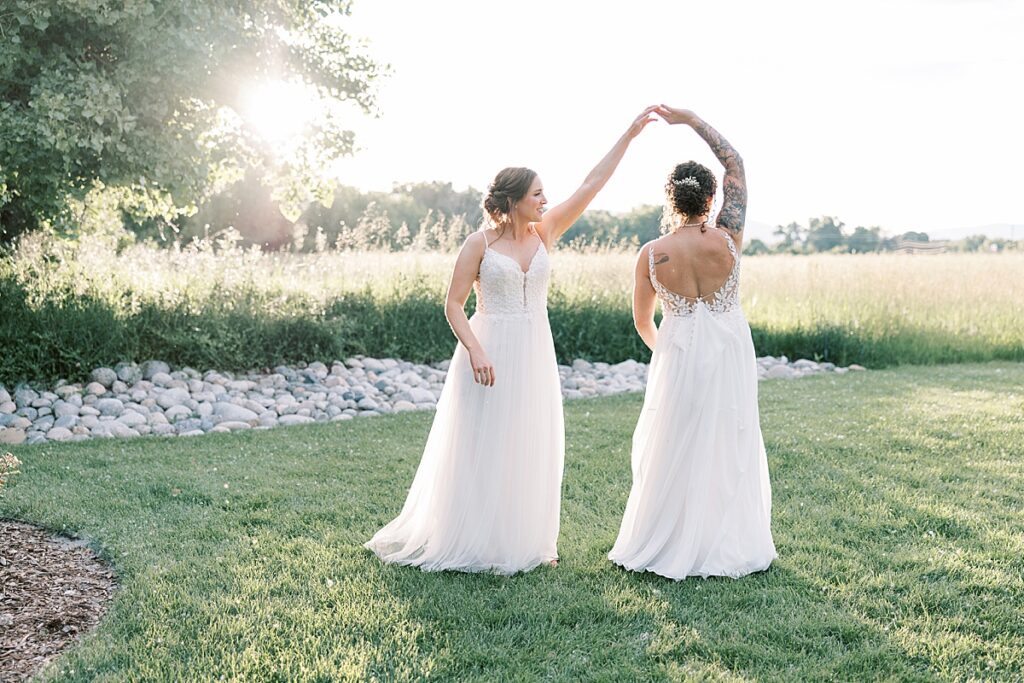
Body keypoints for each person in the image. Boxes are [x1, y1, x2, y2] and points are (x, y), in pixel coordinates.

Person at [365, 108, 657, 575]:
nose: (546, 199)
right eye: (538, 193)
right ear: (516, 199)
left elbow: (591, 185)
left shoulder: (546, 233)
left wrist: (629, 134)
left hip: (535, 349)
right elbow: (454, 305)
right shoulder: (478, 244)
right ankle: (475, 537)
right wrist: (476, 350)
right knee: (482, 443)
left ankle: (529, 539)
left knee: (530, 440)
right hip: (488, 349)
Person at [608, 105, 777, 579]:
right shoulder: (728, 238)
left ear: (671, 200)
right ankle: (723, 540)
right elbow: (735, 163)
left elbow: (643, 320)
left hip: (677, 353)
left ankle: (667, 540)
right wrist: (691, 120)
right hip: (729, 351)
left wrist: (670, 351)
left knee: (674, 442)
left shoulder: (651, 254)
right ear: (710, 199)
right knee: (730, 437)